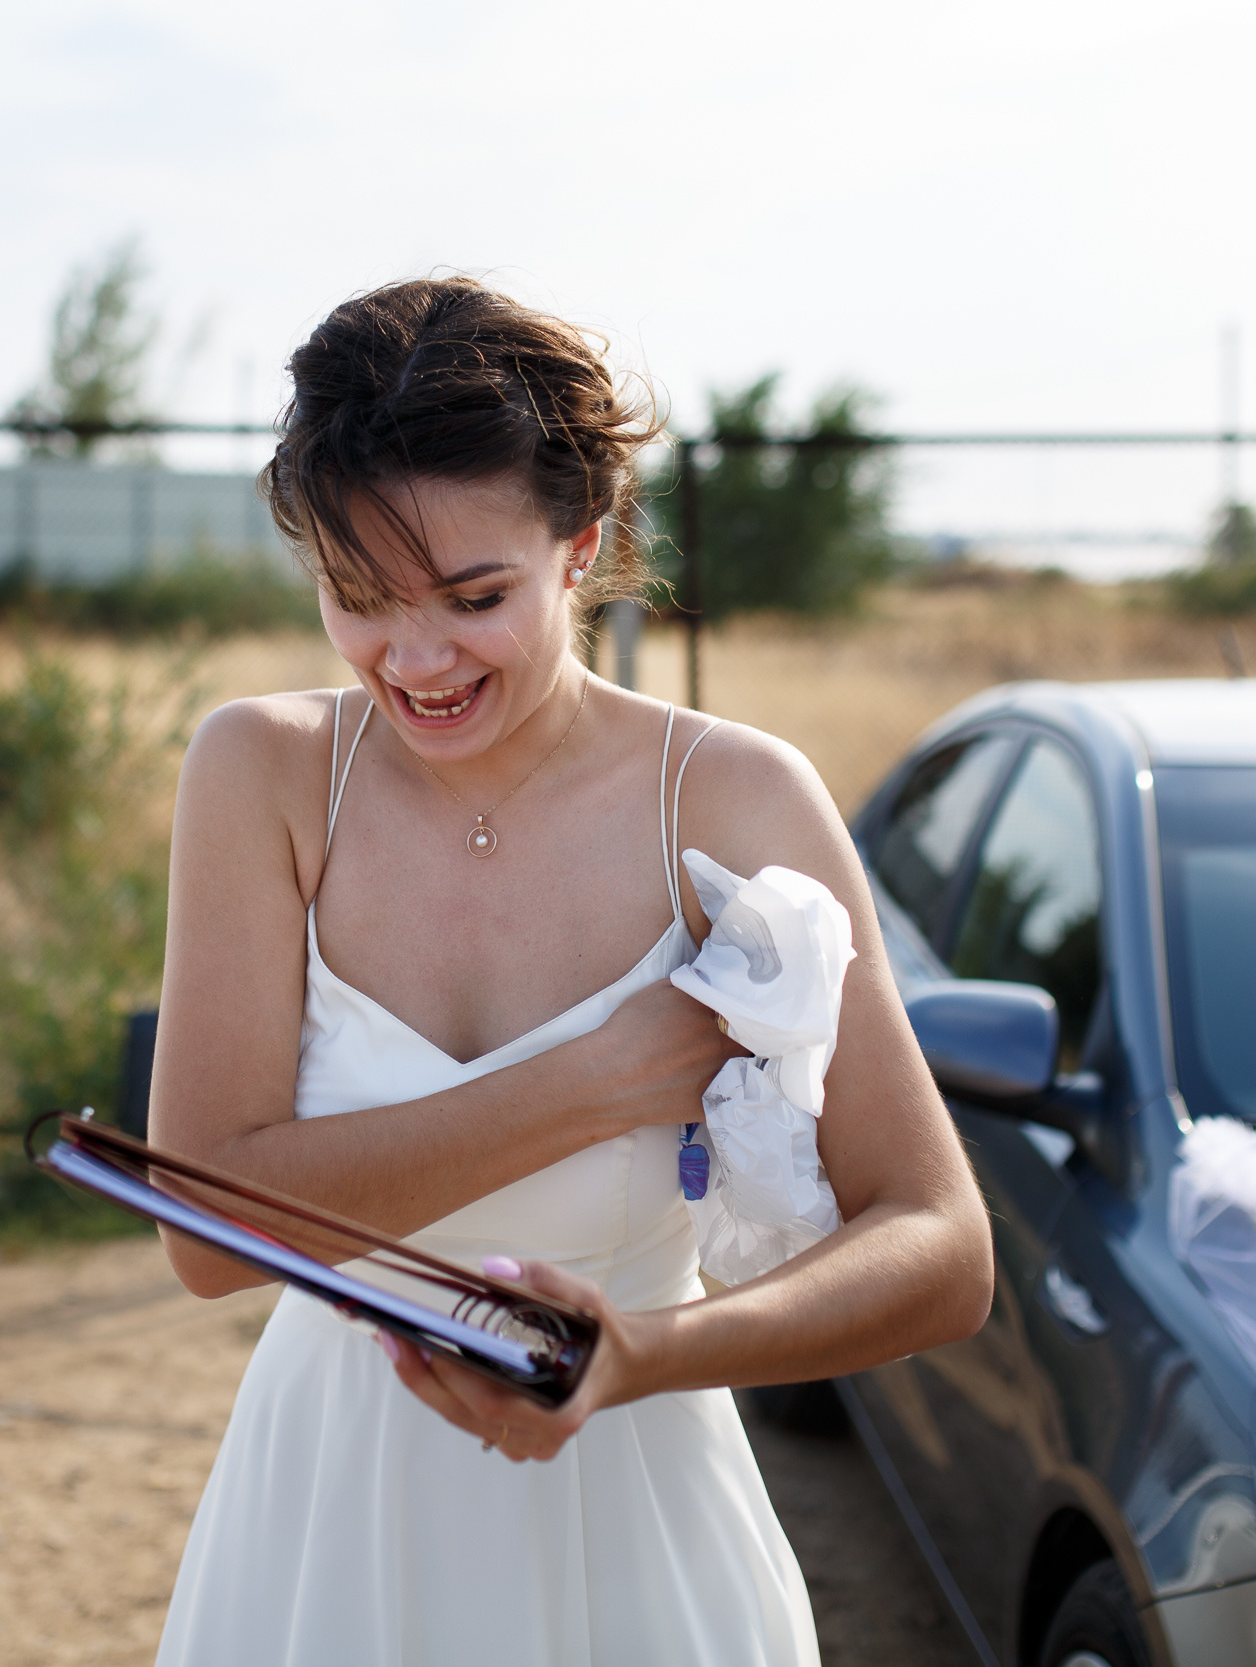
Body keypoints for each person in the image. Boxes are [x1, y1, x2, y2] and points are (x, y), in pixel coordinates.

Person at [147, 276, 994, 1666]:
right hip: (329, 1524)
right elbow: (203, 1230)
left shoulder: (736, 799)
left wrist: (642, 1356)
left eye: (474, 597)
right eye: (355, 600)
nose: (412, 660)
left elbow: (941, 1251)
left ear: (580, 545)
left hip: (639, 1514)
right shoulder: (264, 773)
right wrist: (604, 1079)